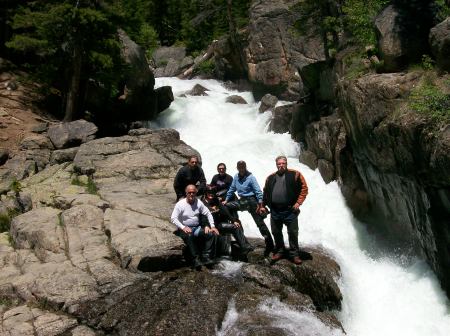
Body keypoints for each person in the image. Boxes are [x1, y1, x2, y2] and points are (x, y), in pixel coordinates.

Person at [262, 155, 308, 264]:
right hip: (275, 211)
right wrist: (263, 205)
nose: (281, 165)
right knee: (276, 232)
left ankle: (294, 254)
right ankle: (280, 251)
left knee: (292, 232)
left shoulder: (295, 174)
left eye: (283, 163)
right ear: (276, 165)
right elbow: (265, 192)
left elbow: (304, 189)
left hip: (290, 210)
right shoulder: (270, 177)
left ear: (286, 164)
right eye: (279, 164)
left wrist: (298, 203)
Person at [223, 160, 275, 256]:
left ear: (245, 167)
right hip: (242, 201)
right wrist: (226, 199)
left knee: (260, 224)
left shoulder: (251, 177)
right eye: (239, 167)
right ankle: (237, 225)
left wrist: (260, 205)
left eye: (243, 167)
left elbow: (258, 191)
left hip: (252, 201)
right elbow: (231, 189)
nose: (241, 169)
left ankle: (270, 244)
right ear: (237, 168)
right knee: (227, 206)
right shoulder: (236, 177)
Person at [171, 184, 219, 269]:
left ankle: (206, 257)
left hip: (196, 227)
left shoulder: (198, 202)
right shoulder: (180, 204)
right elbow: (173, 218)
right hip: (184, 229)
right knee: (189, 235)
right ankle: (195, 259)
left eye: (193, 192)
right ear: (186, 193)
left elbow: (208, 213)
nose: (191, 194)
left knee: (211, 234)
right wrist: (183, 227)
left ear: (196, 193)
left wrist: (212, 226)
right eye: (189, 192)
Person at [202, 185, 253, 258]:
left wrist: (233, 220)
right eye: (209, 192)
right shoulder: (202, 203)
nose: (211, 194)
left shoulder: (215, 200)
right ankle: (209, 256)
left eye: (213, 192)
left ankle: (244, 247)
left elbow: (224, 211)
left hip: (218, 225)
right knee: (213, 235)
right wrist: (206, 226)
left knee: (235, 226)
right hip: (208, 226)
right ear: (206, 193)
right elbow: (202, 218)